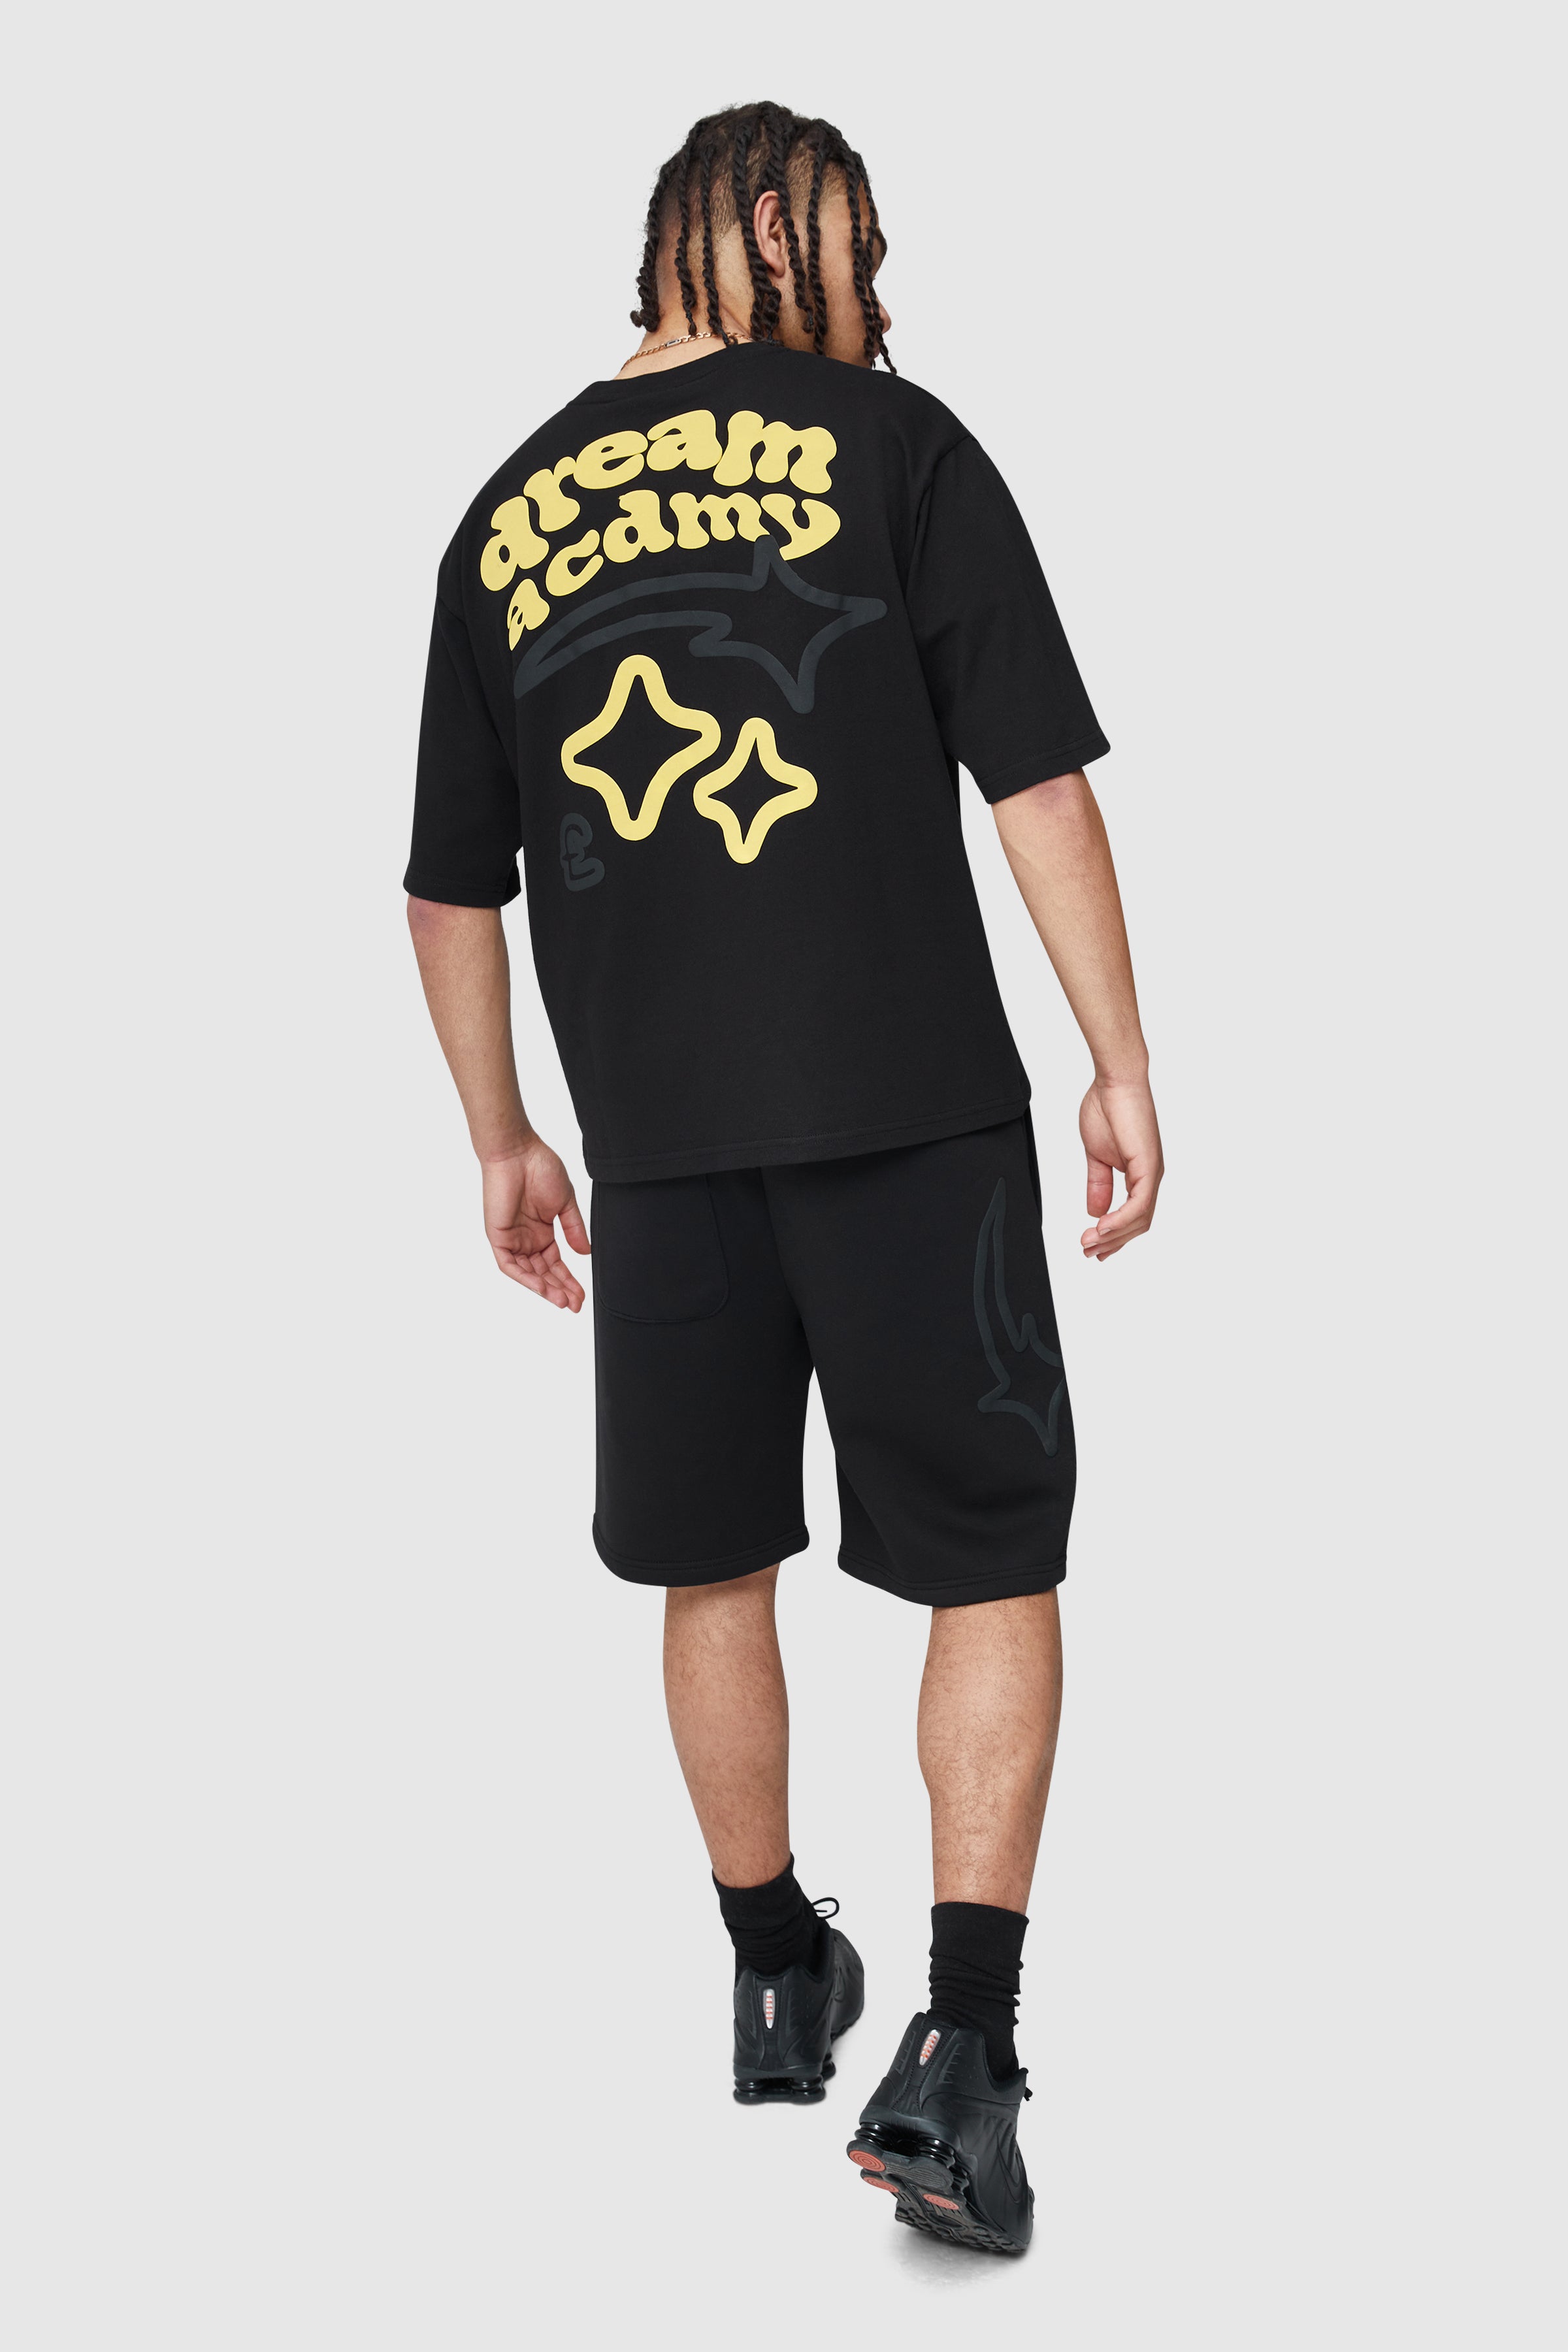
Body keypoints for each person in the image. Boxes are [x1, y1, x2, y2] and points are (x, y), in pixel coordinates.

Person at [404, 101, 1162, 2257]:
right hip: (912, 1112)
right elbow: (1036, 781)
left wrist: (503, 1137)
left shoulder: (506, 515)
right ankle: (963, 2061)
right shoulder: (897, 446)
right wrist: (1119, 1057)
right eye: (857, 245)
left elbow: (450, 891)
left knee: (710, 1568)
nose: (879, 293)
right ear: (760, 224)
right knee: (992, 1560)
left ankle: (769, 1970)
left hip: (657, 1158)